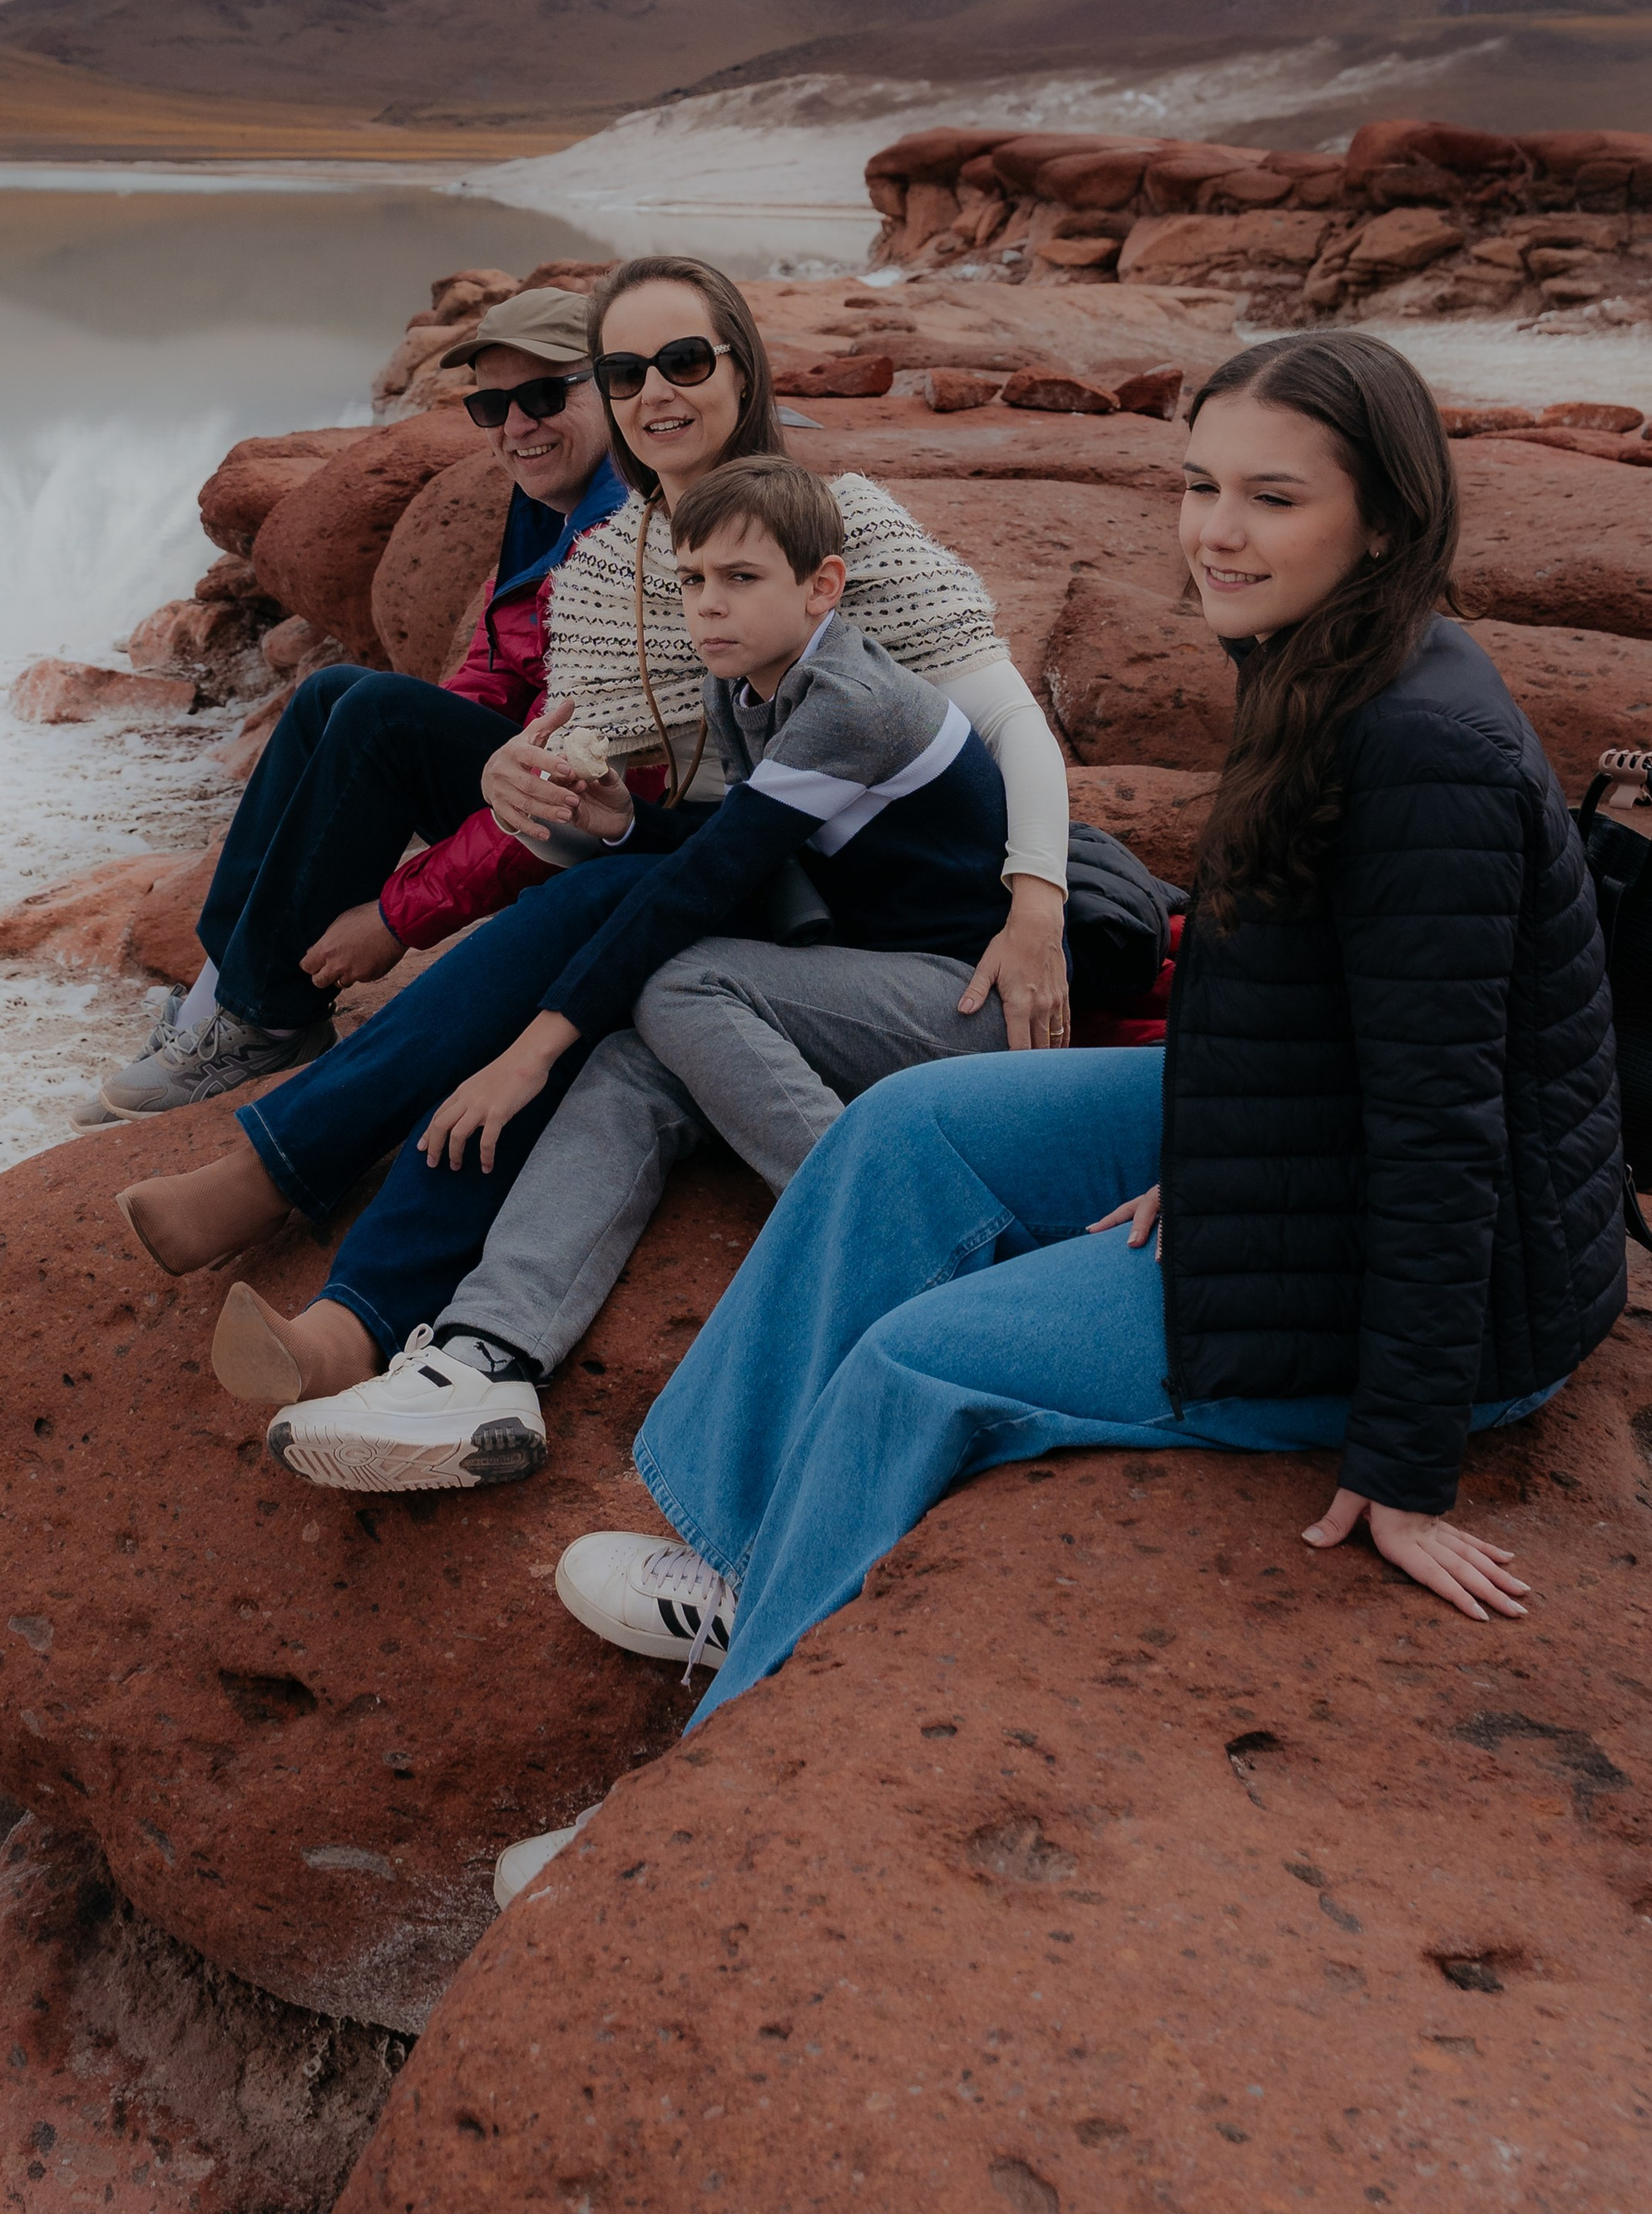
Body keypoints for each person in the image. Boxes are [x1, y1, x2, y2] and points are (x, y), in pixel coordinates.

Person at [532, 329, 1623, 1805]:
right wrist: (1209, 1142)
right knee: (904, 1133)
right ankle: (741, 1554)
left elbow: (1447, 1126)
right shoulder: (1325, 658)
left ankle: (714, 1760)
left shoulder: (1423, 749)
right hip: (1299, 1135)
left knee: (916, 1361)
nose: (1218, 532)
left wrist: (1406, 1462)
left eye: (1274, 498)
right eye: (1200, 486)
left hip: (1431, 1283)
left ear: (1383, 516)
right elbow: (1293, 997)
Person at [114, 256, 1073, 1399]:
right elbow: (619, 811)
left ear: (740, 365)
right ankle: (349, 1318)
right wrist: (574, 816)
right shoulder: (606, 561)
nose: (654, 392)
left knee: (580, 960)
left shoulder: (835, 519)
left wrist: (1037, 903)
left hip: (842, 882)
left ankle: (286, 1169)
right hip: (719, 857)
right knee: (580, 907)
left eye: (683, 360)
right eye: (625, 371)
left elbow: (1011, 722)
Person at [266, 454, 1022, 1488]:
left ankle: (885, 1237)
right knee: (632, 1055)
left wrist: (528, 1054)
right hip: (848, 987)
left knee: (676, 984)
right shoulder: (747, 687)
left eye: (741, 579)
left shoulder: (851, 700)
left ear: (824, 587)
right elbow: (740, 845)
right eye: (692, 581)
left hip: (963, 998)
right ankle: (485, 1361)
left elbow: (706, 885)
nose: (709, 607)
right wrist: (629, 822)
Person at [99, 282, 622, 1159]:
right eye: (491, 404)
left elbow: (587, 780)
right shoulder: (546, 504)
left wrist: (395, 915)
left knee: (374, 712)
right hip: (535, 782)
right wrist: (385, 761)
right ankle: (222, 999)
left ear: (612, 385)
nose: (515, 425)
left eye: (543, 395)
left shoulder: (624, 530)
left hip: (600, 824)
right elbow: (493, 671)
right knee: (338, 697)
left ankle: (263, 1021)